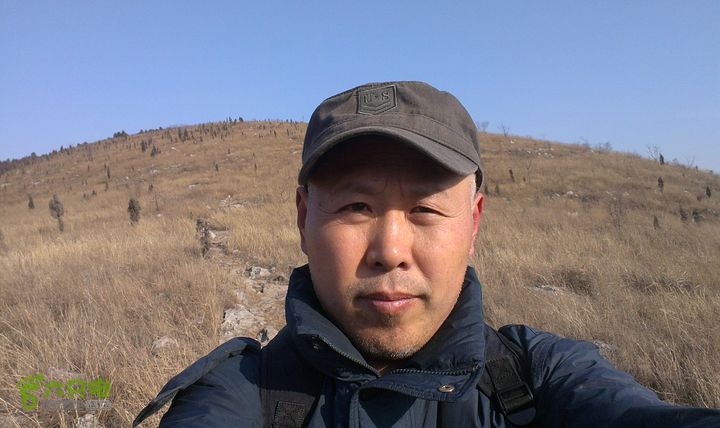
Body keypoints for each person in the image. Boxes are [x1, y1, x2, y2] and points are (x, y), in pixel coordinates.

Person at [134, 81, 720, 427]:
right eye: (356, 206)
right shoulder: (238, 391)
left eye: (426, 209)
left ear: (474, 222)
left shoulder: (543, 377)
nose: (390, 251)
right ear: (303, 219)